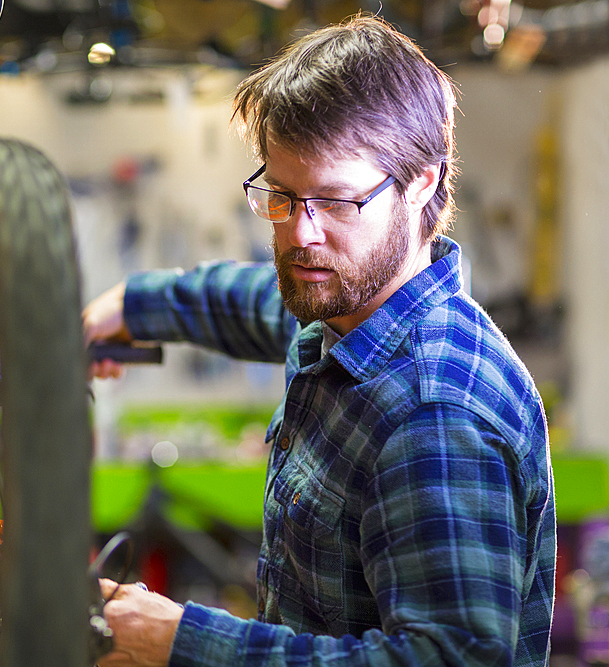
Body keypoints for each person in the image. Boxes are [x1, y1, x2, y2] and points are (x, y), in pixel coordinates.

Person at [83, 14, 555, 667]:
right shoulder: (345, 308)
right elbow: (257, 302)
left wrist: (180, 640)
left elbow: (449, 659)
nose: (301, 234)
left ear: (421, 180)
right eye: (282, 194)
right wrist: (131, 306)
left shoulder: (433, 411)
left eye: (335, 202)